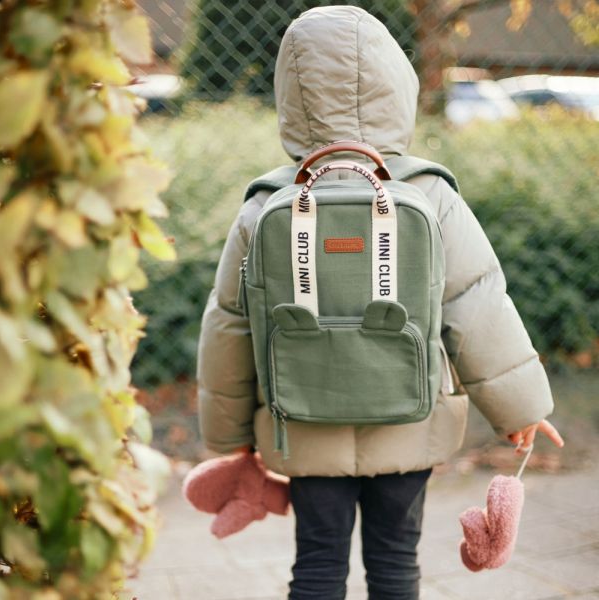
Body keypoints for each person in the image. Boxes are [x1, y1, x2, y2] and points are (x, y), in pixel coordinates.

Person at [196, 6, 564, 599]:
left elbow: (230, 324)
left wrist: (227, 435)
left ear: (290, 94)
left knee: (316, 565)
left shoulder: (267, 203)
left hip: (303, 423)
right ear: (399, 86)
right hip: (409, 421)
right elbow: (476, 303)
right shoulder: (430, 194)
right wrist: (520, 408)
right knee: (395, 563)